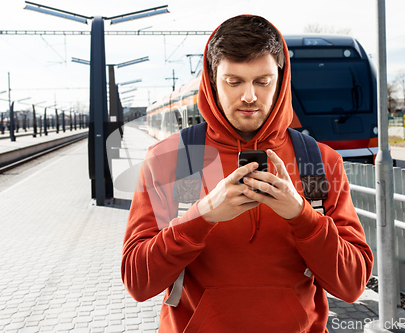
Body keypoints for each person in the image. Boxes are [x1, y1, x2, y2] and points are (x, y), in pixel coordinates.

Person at [122, 15, 373, 333]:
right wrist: (202, 216)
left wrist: (300, 215)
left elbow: (352, 286)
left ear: (281, 81)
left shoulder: (320, 162)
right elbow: (138, 282)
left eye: (263, 81)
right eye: (234, 81)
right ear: (212, 80)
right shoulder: (169, 159)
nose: (250, 96)